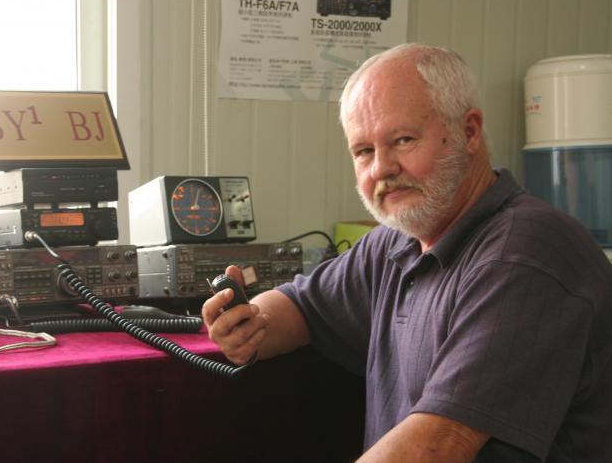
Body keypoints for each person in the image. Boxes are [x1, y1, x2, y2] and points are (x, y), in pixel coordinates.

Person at [202, 43, 612, 462]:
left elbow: (438, 445)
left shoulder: (524, 254)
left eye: (403, 140)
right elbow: (303, 306)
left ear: (470, 132)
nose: (381, 168)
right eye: (364, 151)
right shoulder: (400, 240)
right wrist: (253, 324)